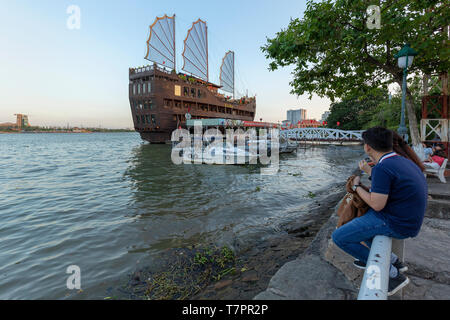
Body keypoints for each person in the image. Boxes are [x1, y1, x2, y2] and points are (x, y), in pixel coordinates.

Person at [332, 127, 428, 296]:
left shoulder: (383, 168)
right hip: (408, 219)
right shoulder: (401, 160)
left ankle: (392, 274)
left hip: (397, 223)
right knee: (362, 223)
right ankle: (392, 261)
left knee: (339, 237)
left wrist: (356, 186)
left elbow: (377, 205)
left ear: (367, 147)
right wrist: (370, 175)